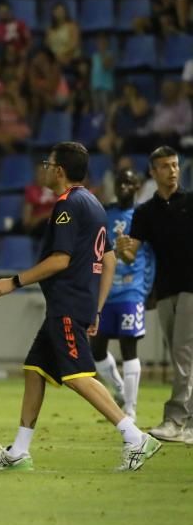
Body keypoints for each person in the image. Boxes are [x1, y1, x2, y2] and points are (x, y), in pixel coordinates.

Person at [0, 142, 161, 471]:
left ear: (60, 171)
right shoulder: (94, 204)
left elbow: (60, 260)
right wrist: (95, 307)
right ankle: (20, 451)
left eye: (48, 164)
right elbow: (108, 260)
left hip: (66, 303)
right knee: (35, 369)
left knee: (78, 376)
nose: (45, 169)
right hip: (75, 304)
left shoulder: (66, 205)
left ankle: (134, 436)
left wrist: (14, 281)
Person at [116, 147, 193, 443]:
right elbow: (130, 254)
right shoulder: (145, 212)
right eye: (165, 166)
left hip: (190, 288)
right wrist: (123, 249)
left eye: (174, 165)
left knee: (183, 355)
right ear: (153, 172)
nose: (172, 170)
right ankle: (187, 423)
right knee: (182, 355)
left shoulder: (191, 202)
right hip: (164, 290)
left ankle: (174, 420)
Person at [91, 168, 154, 420]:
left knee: (129, 347)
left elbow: (149, 256)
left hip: (131, 290)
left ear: (138, 186)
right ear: (115, 186)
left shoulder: (143, 217)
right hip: (106, 291)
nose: (125, 186)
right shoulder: (105, 214)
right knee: (96, 349)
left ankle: (130, 409)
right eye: (121, 182)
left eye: (130, 182)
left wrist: (149, 290)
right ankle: (119, 389)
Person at [0, 88, 31, 154]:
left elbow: (22, 117)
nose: (8, 115)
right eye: (4, 111)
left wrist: (15, 98)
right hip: (2, 130)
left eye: (11, 111)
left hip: (17, 130)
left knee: (2, 140)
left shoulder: (20, 102)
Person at [22, 164, 57, 237]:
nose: (43, 176)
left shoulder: (58, 190)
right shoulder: (31, 190)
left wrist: (41, 217)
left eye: (45, 173)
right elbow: (27, 219)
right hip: (38, 226)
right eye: (40, 173)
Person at [45, 2, 81, 68]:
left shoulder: (72, 26)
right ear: (53, 13)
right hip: (54, 57)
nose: (59, 13)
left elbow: (74, 44)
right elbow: (48, 45)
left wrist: (62, 54)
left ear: (65, 12)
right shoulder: (49, 29)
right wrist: (55, 55)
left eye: (61, 11)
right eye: (57, 11)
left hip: (69, 56)